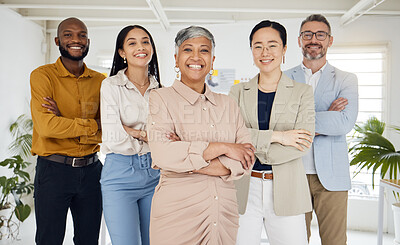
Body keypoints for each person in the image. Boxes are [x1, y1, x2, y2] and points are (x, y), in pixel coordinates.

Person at [147, 26, 255, 245]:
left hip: (223, 213)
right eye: (188, 49)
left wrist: (185, 155)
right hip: (176, 215)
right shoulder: (161, 98)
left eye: (203, 50)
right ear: (176, 59)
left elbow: (246, 160)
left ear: (212, 60)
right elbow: (163, 156)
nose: (196, 57)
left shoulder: (228, 104)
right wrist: (225, 148)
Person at [229, 20, 315, 245]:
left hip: (287, 188)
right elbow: (229, 137)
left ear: (284, 49)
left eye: (272, 45)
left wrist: (252, 146)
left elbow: (302, 144)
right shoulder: (237, 92)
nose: (264, 52)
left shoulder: (302, 92)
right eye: (258, 46)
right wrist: (280, 137)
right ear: (251, 51)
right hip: (244, 188)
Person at [285, 14, 359, 245]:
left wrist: (300, 121)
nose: (313, 39)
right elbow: (279, 124)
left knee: (334, 242)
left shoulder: (346, 79)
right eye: (307, 34)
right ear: (299, 40)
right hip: (292, 174)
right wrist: (328, 114)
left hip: (333, 178)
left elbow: (344, 123)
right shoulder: (283, 79)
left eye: (320, 35)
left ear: (330, 40)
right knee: (293, 241)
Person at [30, 17, 105, 245]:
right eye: (68, 34)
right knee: (49, 240)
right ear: (57, 40)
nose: (76, 40)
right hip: (54, 171)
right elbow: (46, 126)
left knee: (89, 240)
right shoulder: (43, 76)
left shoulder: (102, 82)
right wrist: (91, 125)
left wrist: (64, 120)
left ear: (88, 41)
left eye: (81, 35)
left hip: (92, 171)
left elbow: (109, 130)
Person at [99, 25, 161, 245]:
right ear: (122, 53)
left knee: (155, 241)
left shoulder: (161, 91)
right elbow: (113, 136)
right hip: (120, 176)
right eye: (132, 43)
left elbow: (169, 136)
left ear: (152, 48)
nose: (140, 47)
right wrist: (148, 135)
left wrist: (132, 131)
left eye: (145, 41)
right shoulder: (111, 86)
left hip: (156, 174)